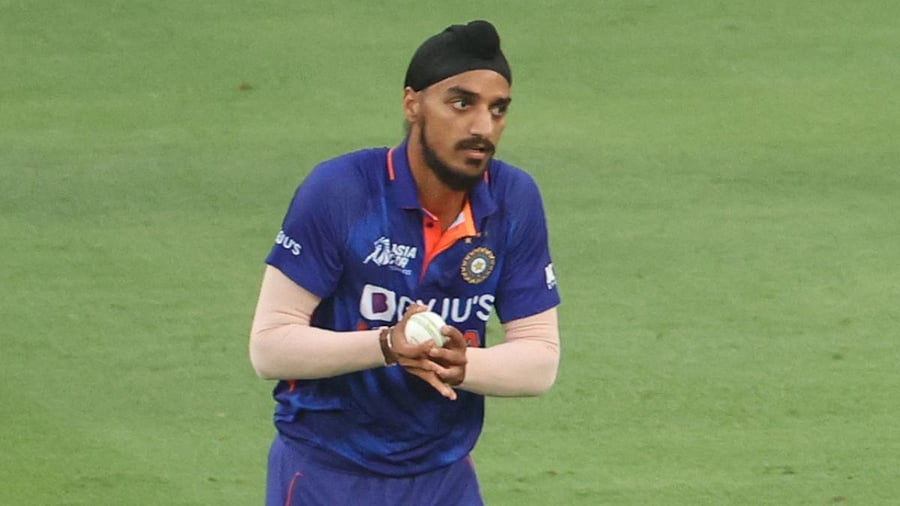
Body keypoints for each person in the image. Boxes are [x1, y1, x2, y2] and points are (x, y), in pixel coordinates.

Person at [249, 19, 561, 506]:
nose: (483, 127)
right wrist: (386, 345)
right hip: (327, 475)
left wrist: (462, 365)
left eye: (497, 109)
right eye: (462, 103)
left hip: (443, 479)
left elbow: (540, 361)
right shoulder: (340, 191)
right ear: (412, 104)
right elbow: (269, 348)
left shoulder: (513, 199)